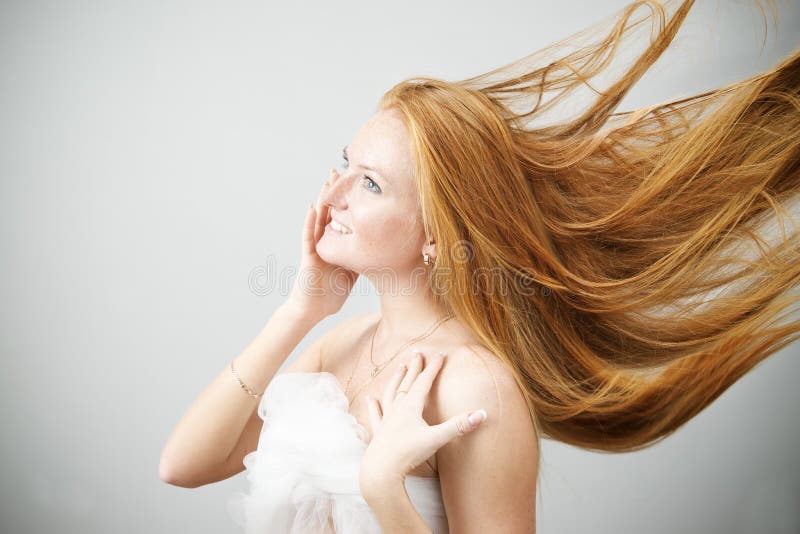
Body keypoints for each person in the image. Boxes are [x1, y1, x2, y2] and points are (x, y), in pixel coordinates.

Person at [159, 0, 800, 531]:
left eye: (371, 184)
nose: (332, 195)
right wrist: (300, 310)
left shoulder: (474, 389)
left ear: (437, 232)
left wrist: (385, 487)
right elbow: (183, 466)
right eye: (344, 162)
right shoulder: (340, 345)